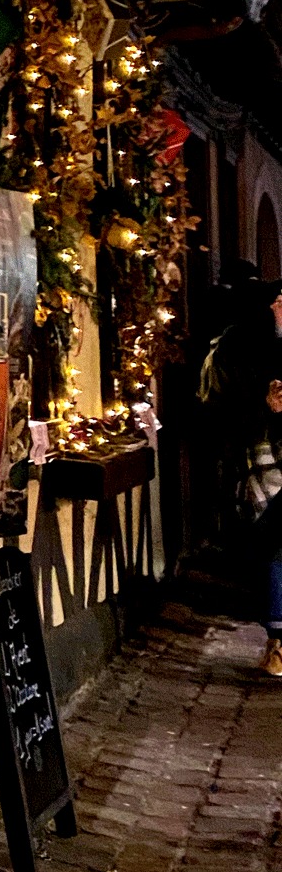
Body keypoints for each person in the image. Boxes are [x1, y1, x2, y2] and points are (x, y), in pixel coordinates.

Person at [200, 268, 282, 673]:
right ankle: (278, 640)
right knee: (274, 547)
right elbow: (218, 411)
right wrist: (263, 406)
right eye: (280, 303)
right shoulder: (240, 348)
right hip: (264, 462)